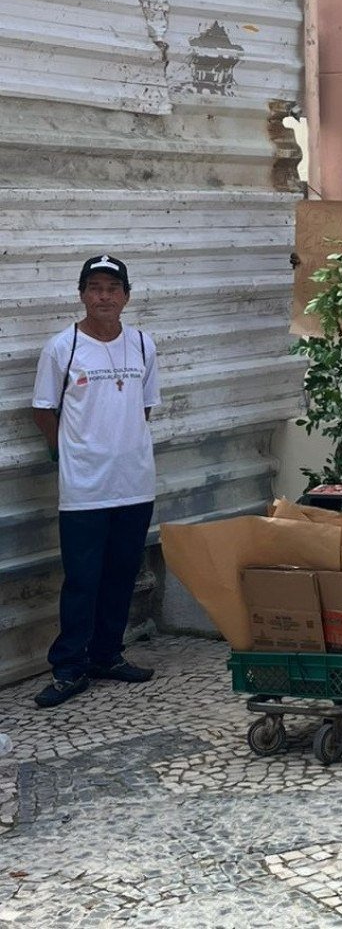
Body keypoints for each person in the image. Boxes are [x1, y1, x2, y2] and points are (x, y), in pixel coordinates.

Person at [30, 256, 161, 709]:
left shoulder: (144, 344)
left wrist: (122, 446)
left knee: (121, 574)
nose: (104, 296)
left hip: (134, 483)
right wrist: (67, 451)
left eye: (112, 288)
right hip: (85, 488)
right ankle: (69, 668)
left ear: (126, 295)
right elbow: (43, 409)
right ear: (82, 294)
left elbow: (144, 408)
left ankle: (107, 654)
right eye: (94, 287)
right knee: (82, 579)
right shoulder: (62, 347)